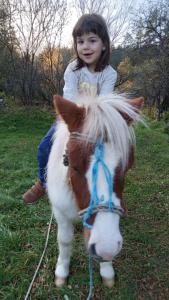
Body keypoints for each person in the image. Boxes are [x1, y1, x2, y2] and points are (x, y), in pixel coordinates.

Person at [23, 13, 117, 204]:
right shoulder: (73, 69)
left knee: (109, 153)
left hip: (96, 122)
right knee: (44, 148)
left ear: (104, 44)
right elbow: (70, 98)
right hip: (70, 120)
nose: (86, 46)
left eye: (92, 40)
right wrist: (71, 125)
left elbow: (104, 103)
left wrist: (93, 123)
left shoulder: (109, 74)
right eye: (80, 41)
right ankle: (44, 183)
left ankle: (107, 191)